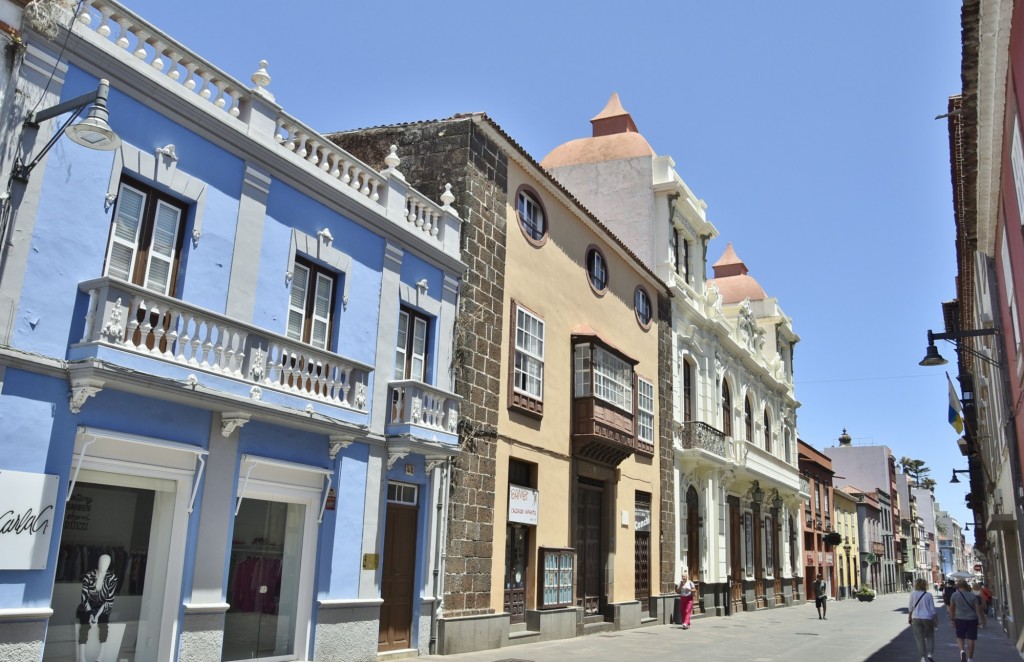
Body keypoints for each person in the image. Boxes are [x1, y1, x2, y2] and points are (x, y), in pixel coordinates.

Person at [77, 554, 118, 662]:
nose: (103, 564)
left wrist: (97, 616)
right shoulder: (88, 576)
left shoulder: (112, 578)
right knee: (85, 623)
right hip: (88, 606)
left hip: (103, 608)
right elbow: (84, 598)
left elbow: (109, 600)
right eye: (101, 561)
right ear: (97, 562)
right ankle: (82, 657)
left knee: (104, 623)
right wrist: (90, 613)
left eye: (106, 562)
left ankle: (100, 657)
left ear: (109, 564)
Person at [948, 578, 986, 662]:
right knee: (971, 639)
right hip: (972, 619)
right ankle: (970, 658)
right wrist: (980, 619)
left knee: (960, 637)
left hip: (959, 619)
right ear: (966, 586)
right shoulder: (972, 595)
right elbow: (978, 609)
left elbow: (951, 608)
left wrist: (952, 619)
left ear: (958, 586)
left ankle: (962, 651)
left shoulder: (954, 595)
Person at [909, 577, 939, 662]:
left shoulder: (913, 594)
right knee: (930, 636)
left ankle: (922, 657)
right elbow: (933, 609)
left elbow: (910, 607)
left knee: (919, 638)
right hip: (928, 618)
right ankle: (930, 654)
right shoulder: (928, 595)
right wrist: (935, 619)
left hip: (916, 617)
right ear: (925, 585)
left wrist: (909, 616)